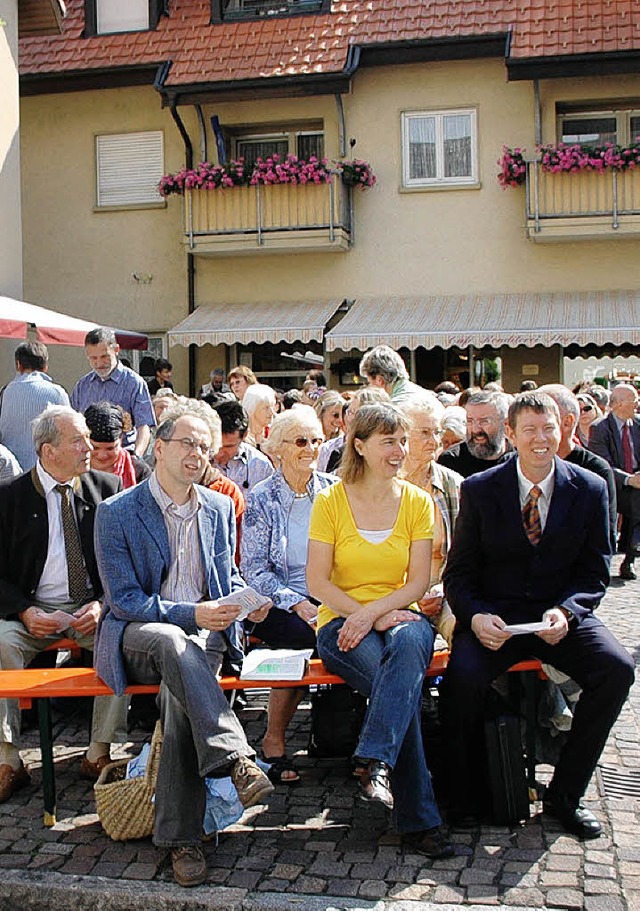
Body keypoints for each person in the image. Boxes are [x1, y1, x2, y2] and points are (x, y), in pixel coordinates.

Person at [94, 401, 274, 888]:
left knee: (179, 698)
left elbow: (225, 576)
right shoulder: (117, 511)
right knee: (174, 643)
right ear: (159, 446)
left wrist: (245, 601)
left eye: (205, 445)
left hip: (204, 637)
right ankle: (237, 759)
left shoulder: (216, 507)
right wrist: (190, 614)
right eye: (188, 443)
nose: (198, 453)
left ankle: (182, 841)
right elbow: (126, 601)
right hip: (140, 637)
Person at [440, 392, 634, 837]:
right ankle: (463, 797)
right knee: (460, 683)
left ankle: (566, 795)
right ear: (511, 434)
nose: (540, 439)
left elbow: (595, 571)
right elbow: (461, 573)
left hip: (558, 618)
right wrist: (475, 617)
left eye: (548, 428)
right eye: (529, 430)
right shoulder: (481, 488)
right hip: (497, 620)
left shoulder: (590, 487)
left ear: (563, 428)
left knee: (617, 670)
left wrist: (568, 612)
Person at [306, 402, 453, 858]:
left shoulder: (417, 502)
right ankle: (419, 820)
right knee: (401, 693)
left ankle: (374, 758)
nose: (400, 450)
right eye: (389, 441)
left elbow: (418, 581)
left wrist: (381, 613)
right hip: (342, 624)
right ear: (360, 445)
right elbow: (318, 581)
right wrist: (367, 615)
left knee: (408, 646)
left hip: (402, 619)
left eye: (403, 441)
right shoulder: (331, 500)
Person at [0, 405, 127, 802]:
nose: (89, 447)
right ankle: (8, 760)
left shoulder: (107, 488)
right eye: (78, 440)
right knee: (1, 641)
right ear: (48, 450)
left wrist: (103, 604)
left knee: (122, 639)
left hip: (89, 608)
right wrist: (24, 610)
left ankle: (98, 752)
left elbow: (125, 561)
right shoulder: (10, 499)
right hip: (31, 609)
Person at [242, 407, 338, 784]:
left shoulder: (334, 491)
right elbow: (254, 570)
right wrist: (295, 602)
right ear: (277, 449)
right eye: (301, 441)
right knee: (302, 638)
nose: (311, 448)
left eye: (316, 440)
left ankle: (346, 736)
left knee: (353, 633)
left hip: (331, 596)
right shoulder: (263, 497)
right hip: (280, 600)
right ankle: (274, 741)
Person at [399, 396, 463, 646]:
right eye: (425, 432)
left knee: (468, 630)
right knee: (404, 639)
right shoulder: (382, 486)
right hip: (391, 595)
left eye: (437, 432)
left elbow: (465, 553)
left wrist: (443, 590)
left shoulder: (454, 485)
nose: (435, 441)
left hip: (444, 590)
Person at [538, 384, 617, 550]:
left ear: (567, 422)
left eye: (543, 419)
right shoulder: (512, 464)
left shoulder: (595, 471)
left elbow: (604, 539)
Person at [70, 328, 156, 458]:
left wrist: (136, 457)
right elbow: (73, 424)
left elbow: (144, 426)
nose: (99, 363)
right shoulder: (83, 385)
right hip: (90, 459)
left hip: (122, 456)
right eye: (93, 358)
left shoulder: (134, 383)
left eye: (104, 356)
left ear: (116, 350)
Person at [588, 383, 640, 580]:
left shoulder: (638, 424)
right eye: (633, 400)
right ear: (618, 404)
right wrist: (628, 479)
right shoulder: (600, 428)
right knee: (636, 497)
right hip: (611, 482)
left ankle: (631, 554)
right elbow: (603, 465)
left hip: (636, 482)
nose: (637, 405)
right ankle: (630, 552)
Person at [0, 341, 70, 470]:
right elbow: (69, 432)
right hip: (45, 471)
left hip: (10, 471)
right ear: (45, 366)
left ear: (18, 365)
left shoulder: (5, 392)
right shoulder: (57, 392)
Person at [438, 390, 512, 478]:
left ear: (504, 424)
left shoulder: (521, 459)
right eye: (470, 421)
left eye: (484, 421)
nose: (475, 429)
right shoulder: (451, 461)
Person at [210, 400, 273, 496]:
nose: (219, 452)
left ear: (244, 435)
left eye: (228, 446)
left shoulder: (261, 466)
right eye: (215, 443)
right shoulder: (197, 460)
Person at [84, 401, 151, 488]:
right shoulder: (71, 469)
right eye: (95, 447)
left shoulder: (139, 472)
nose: (102, 455)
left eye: (110, 448)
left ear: (121, 438)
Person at [358, 345, 430, 406]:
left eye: (369, 383)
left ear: (379, 380)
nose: (369, 387)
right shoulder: (426, 395)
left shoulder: (395, 409)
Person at [240, 384, 277, 449]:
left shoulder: (274, 434)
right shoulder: (240, 438)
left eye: (272, 406)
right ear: (252, 408)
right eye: (266, 408)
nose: (271, 412)